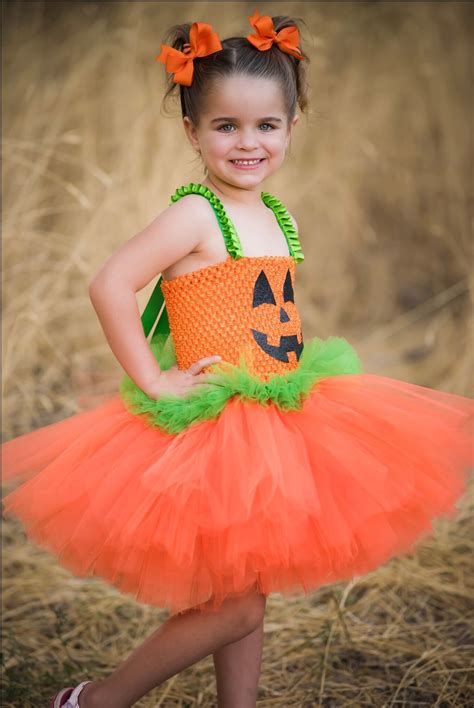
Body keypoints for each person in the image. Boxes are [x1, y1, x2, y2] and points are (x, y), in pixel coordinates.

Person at [2, 9, 473, 708]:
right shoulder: (197, 215)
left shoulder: (272, 214)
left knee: (244, 589)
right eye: (226, 126)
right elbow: (110, 283)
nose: (247, 143)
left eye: (266, 126)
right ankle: (95, 701)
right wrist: (154, 378)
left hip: (276, 416)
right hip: (217, 428)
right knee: (240, 606)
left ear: (292, 125)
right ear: (193, 132)